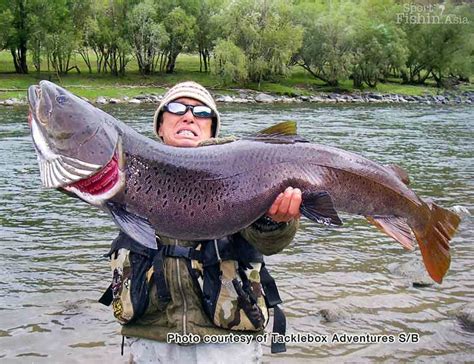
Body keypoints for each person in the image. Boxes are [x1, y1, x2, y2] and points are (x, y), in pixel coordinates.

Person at [103, 81, 302, 363]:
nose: (188, 115)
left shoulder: (242, 167)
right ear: (160, 126)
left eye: (202, 112)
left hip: (225, 343)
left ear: (211, 129)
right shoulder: (128, 170)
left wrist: (274, 221)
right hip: (151, 337)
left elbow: (269, 243)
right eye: (175, 108)